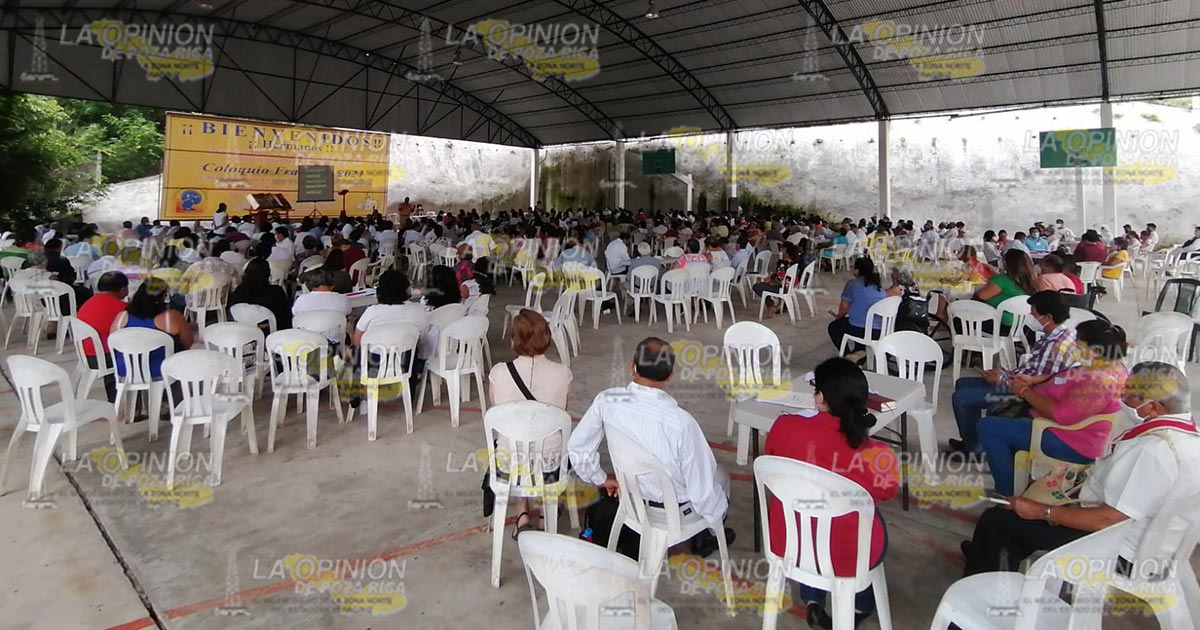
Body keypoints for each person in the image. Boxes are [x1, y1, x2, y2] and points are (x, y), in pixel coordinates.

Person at [962, 362, 1200, 575]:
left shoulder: (1155, 450)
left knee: (999, 521)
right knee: (1016, 508)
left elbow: (1107, 521)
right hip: (1150, 543)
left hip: (1119, 549)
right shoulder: (1186, 436)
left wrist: (1041, 512)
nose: (1123, 397)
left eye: (1130, 395)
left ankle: (980, 601)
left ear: (1154, 408)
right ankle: (985, 554)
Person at [568, 338, 734, 556]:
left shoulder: (606, 401)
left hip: (629, 501)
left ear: (632, 367)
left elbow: (578, 447)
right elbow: (701, 491)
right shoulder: (682, 422)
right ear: (670, 375)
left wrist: (600, 478)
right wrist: (716, 513)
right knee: (719, 476)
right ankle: (706, 537)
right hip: (673, 515)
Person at [766, 358, 898, 628]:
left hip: (788, 542)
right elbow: (886, 492)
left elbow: (772, 458)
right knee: (867, 519)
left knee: (810, 516)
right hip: (847, 556)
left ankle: (813, 601)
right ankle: (859, 605)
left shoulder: (784, 427)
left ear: (820, 398)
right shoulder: (877, 455)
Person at [978, 320, 1129, 495]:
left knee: (988, 427)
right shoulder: (1113, 367)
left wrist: (1025, 391)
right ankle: (1016, 478)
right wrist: (1037, 380)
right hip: (1073, 430)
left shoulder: (1097, 383)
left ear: (1095, 350)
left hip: (1070, 440)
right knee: (1001, 417)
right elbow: (1070, 375)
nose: (1075, 349)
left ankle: (1007, 492)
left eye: (1079, 345)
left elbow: (1060, 415)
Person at [950, 291, 1078, 455]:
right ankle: (974, 442)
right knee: (962, 384)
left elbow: (1040, 385)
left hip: (1024, 395)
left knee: (962, 398)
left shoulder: (1056, 345)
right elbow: (1033, 371)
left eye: (1034, 314)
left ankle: (974, 449)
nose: (1030, 316)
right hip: (1019, 382)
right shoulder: (1059, 335)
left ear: (1048, 317)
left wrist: (1002, 378)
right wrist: (1004, 373)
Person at [488, 309, 574, 536]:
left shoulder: (498, 373)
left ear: (513, 339)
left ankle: (522, 512)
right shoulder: (562, 373)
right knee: (547, 440)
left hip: (510, 465)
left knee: (515, 441)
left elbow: (495, 413)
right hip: (551, 464)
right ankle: (548, 513)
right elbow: (562, 411)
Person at [111, 278, 194, 381]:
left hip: (125, 371)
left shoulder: (122, 317)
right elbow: (188, 343)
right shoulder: (171, 317)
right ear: (163, 297)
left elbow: (114, 344)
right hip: (162, 372)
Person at [75, 272, 130, 402]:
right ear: (123, 289)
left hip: (86, 355)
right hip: (104, 358)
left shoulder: (87, 304)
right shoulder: (123, 309)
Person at [351, 270, 429, 346]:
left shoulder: (372, 311)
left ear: (380, 291)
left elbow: (356, 341)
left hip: (373, 357)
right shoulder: (418, 309)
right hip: (407, 357)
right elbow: (423, 339)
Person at [828, 257, 887, 355]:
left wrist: (839, 316)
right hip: (880, 330)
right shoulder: (878, 285)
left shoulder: (852, 284)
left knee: (834, 327)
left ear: (857, 270)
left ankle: (848, 356)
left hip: (861, 329)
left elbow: (844, 307)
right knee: (857, 321)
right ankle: (859, 352)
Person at [973, 248, 1038, 330]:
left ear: (1007, 263)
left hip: (1000, 324)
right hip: (1023, 324)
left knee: (959, 319)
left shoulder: (1002, 279)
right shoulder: (1033, 278)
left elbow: (982, 295)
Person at [229, 258, 292, 331]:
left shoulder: (239, 291)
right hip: (268, 333)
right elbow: (286, 318)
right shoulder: (276, 292)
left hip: (243, 332)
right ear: (268, 274)